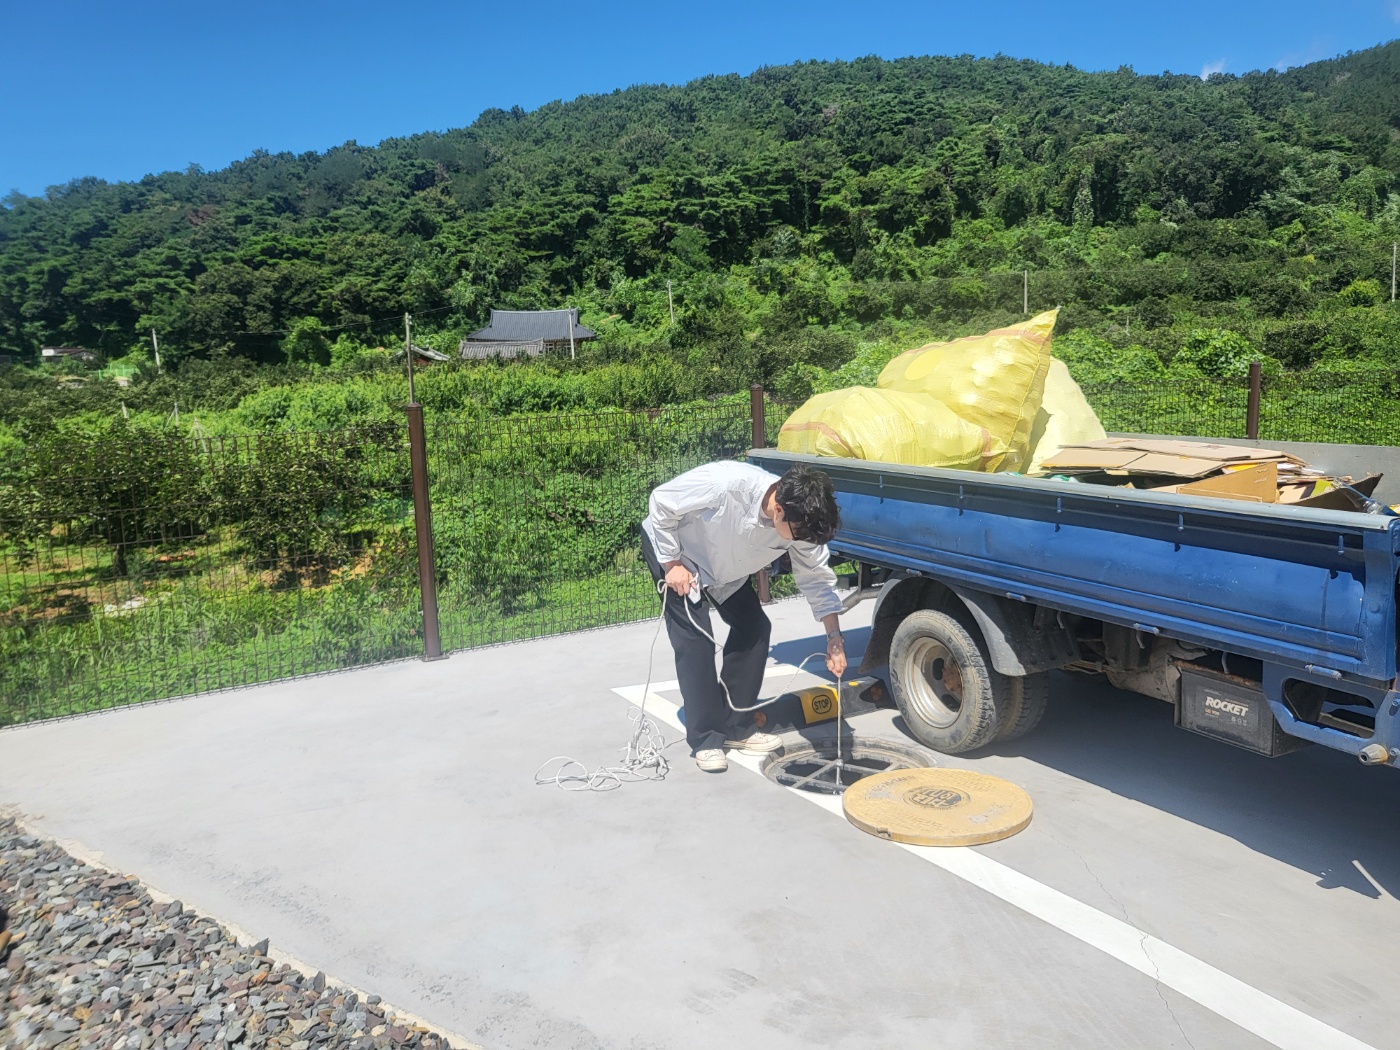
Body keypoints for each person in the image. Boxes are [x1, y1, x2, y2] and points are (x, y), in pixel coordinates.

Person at [641, 461, 847, 773]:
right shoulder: (726, 484)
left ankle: (737, 725)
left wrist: (835, 639)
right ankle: (707, 738)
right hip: (679, 555)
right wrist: (671, 564)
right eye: (796, 534)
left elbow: (817, 580)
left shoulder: (801, 520)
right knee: (696, 640)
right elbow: (661, 501)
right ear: (778, 509)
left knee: (754, 627)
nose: (799, 541)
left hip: (727, 566)